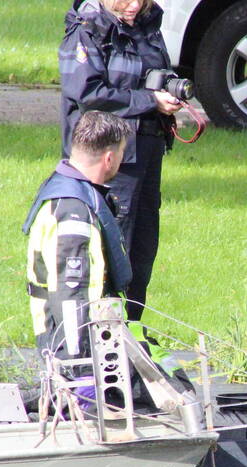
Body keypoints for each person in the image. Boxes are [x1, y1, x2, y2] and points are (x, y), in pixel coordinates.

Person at [60, 0, 183, 321]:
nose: (135, 5)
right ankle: (102, 333)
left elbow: (154, 74)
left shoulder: (148, 25)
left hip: (147, 148)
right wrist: (149, 100)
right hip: (107, 156)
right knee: (114, 244)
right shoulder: (87, 30)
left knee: (142, 247)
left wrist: (167, 98)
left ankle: (131, 328)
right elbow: (87, 92)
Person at [23, 109, 132, 364]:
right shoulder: (73, 211)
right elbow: (69, 295)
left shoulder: (69, 191)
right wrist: (79, 368)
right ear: (109, 158)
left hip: (88, 337)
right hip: (72, 346)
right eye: (122, 154)